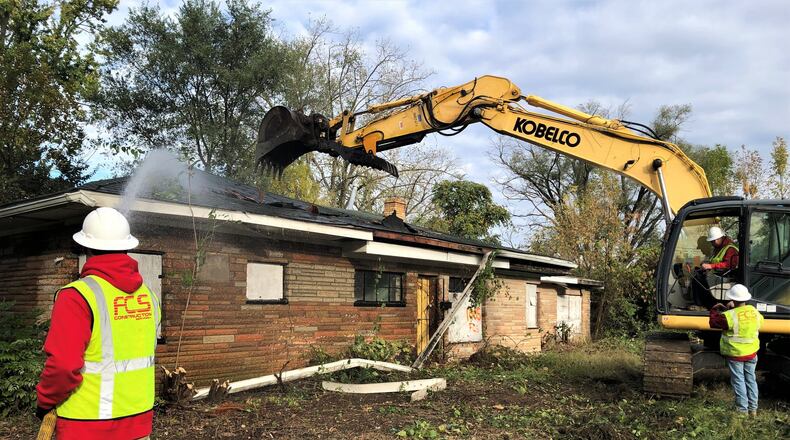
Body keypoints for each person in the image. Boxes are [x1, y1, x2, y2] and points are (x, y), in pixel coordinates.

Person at [35, 207, 159, 440]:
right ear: (126, 247)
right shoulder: (149, 296)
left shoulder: (76, 295)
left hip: (86, 425)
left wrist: (45, 401)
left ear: (85, 247)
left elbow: (63, 365)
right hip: (139, 422)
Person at [710, 284, 763, 416]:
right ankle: (753, 409)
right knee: (751, 379)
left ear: (732, 299)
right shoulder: (754, 311)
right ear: (746, 298)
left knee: (739, 381)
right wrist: (731, 310)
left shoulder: (729, 316)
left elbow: (713, 322)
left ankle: (742, 411)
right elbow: (756, 321)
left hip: (736, 354)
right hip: (752, 353)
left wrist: (714, 310)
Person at [692, 226, 739, 309]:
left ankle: (702, 305)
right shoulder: (718, 248)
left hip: (725, 277)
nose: (712, 244)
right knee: (697, 274)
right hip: (717, 275)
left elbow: (729, 265)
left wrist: (710, 266)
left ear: (718, 239)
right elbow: (715, 261)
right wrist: (706, 264)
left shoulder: (731, 249)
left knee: (698, 279)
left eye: (712, 241)